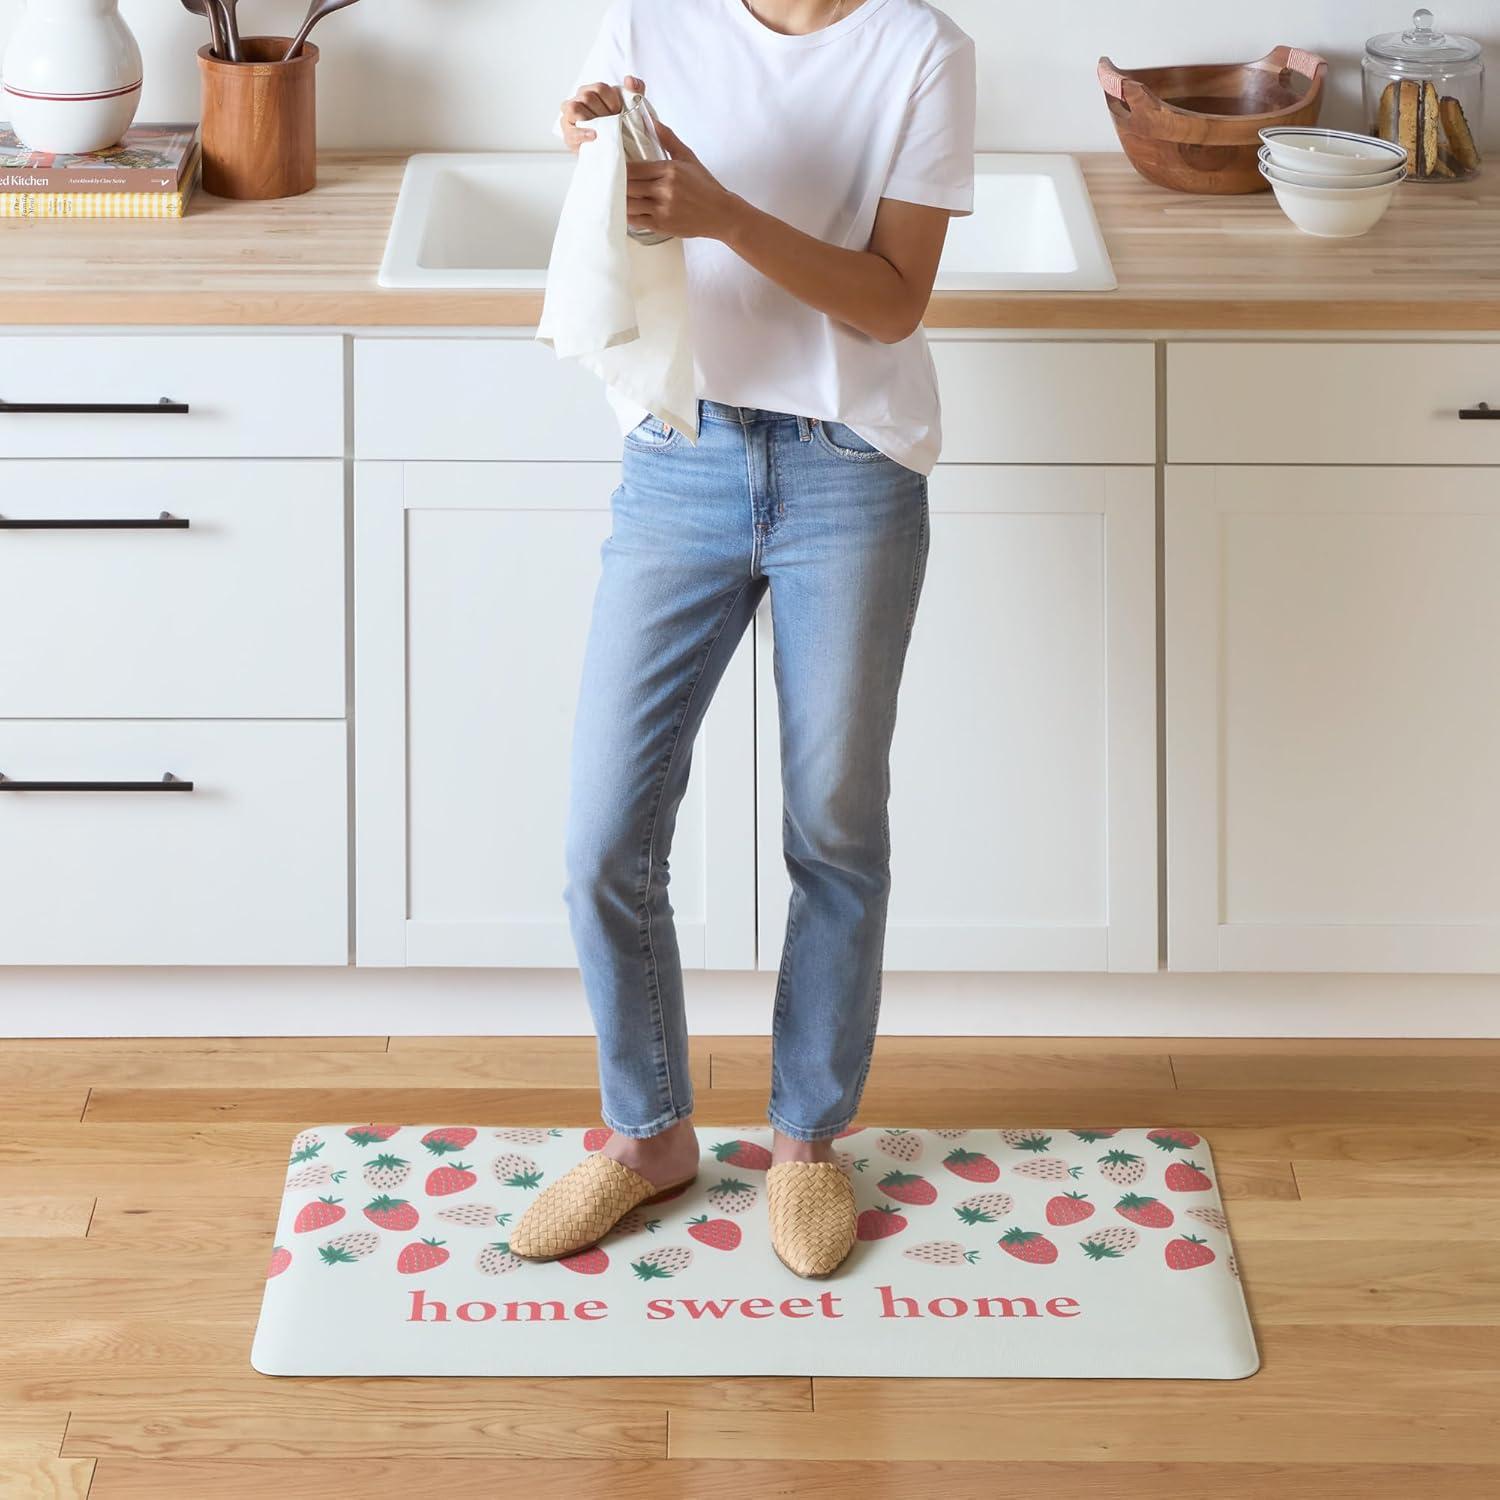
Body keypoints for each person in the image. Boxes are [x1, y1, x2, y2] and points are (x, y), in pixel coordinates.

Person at [509, 0, 977, 1278]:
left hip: (852, 469)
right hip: (681, 454)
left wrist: (719, 210)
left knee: (834, 827)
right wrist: (597, 142)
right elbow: (624, 225)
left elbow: (891, 306)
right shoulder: (647, 23)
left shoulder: (921, 52)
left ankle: (808, 1142)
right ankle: (650, 1134)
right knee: (605, 834)